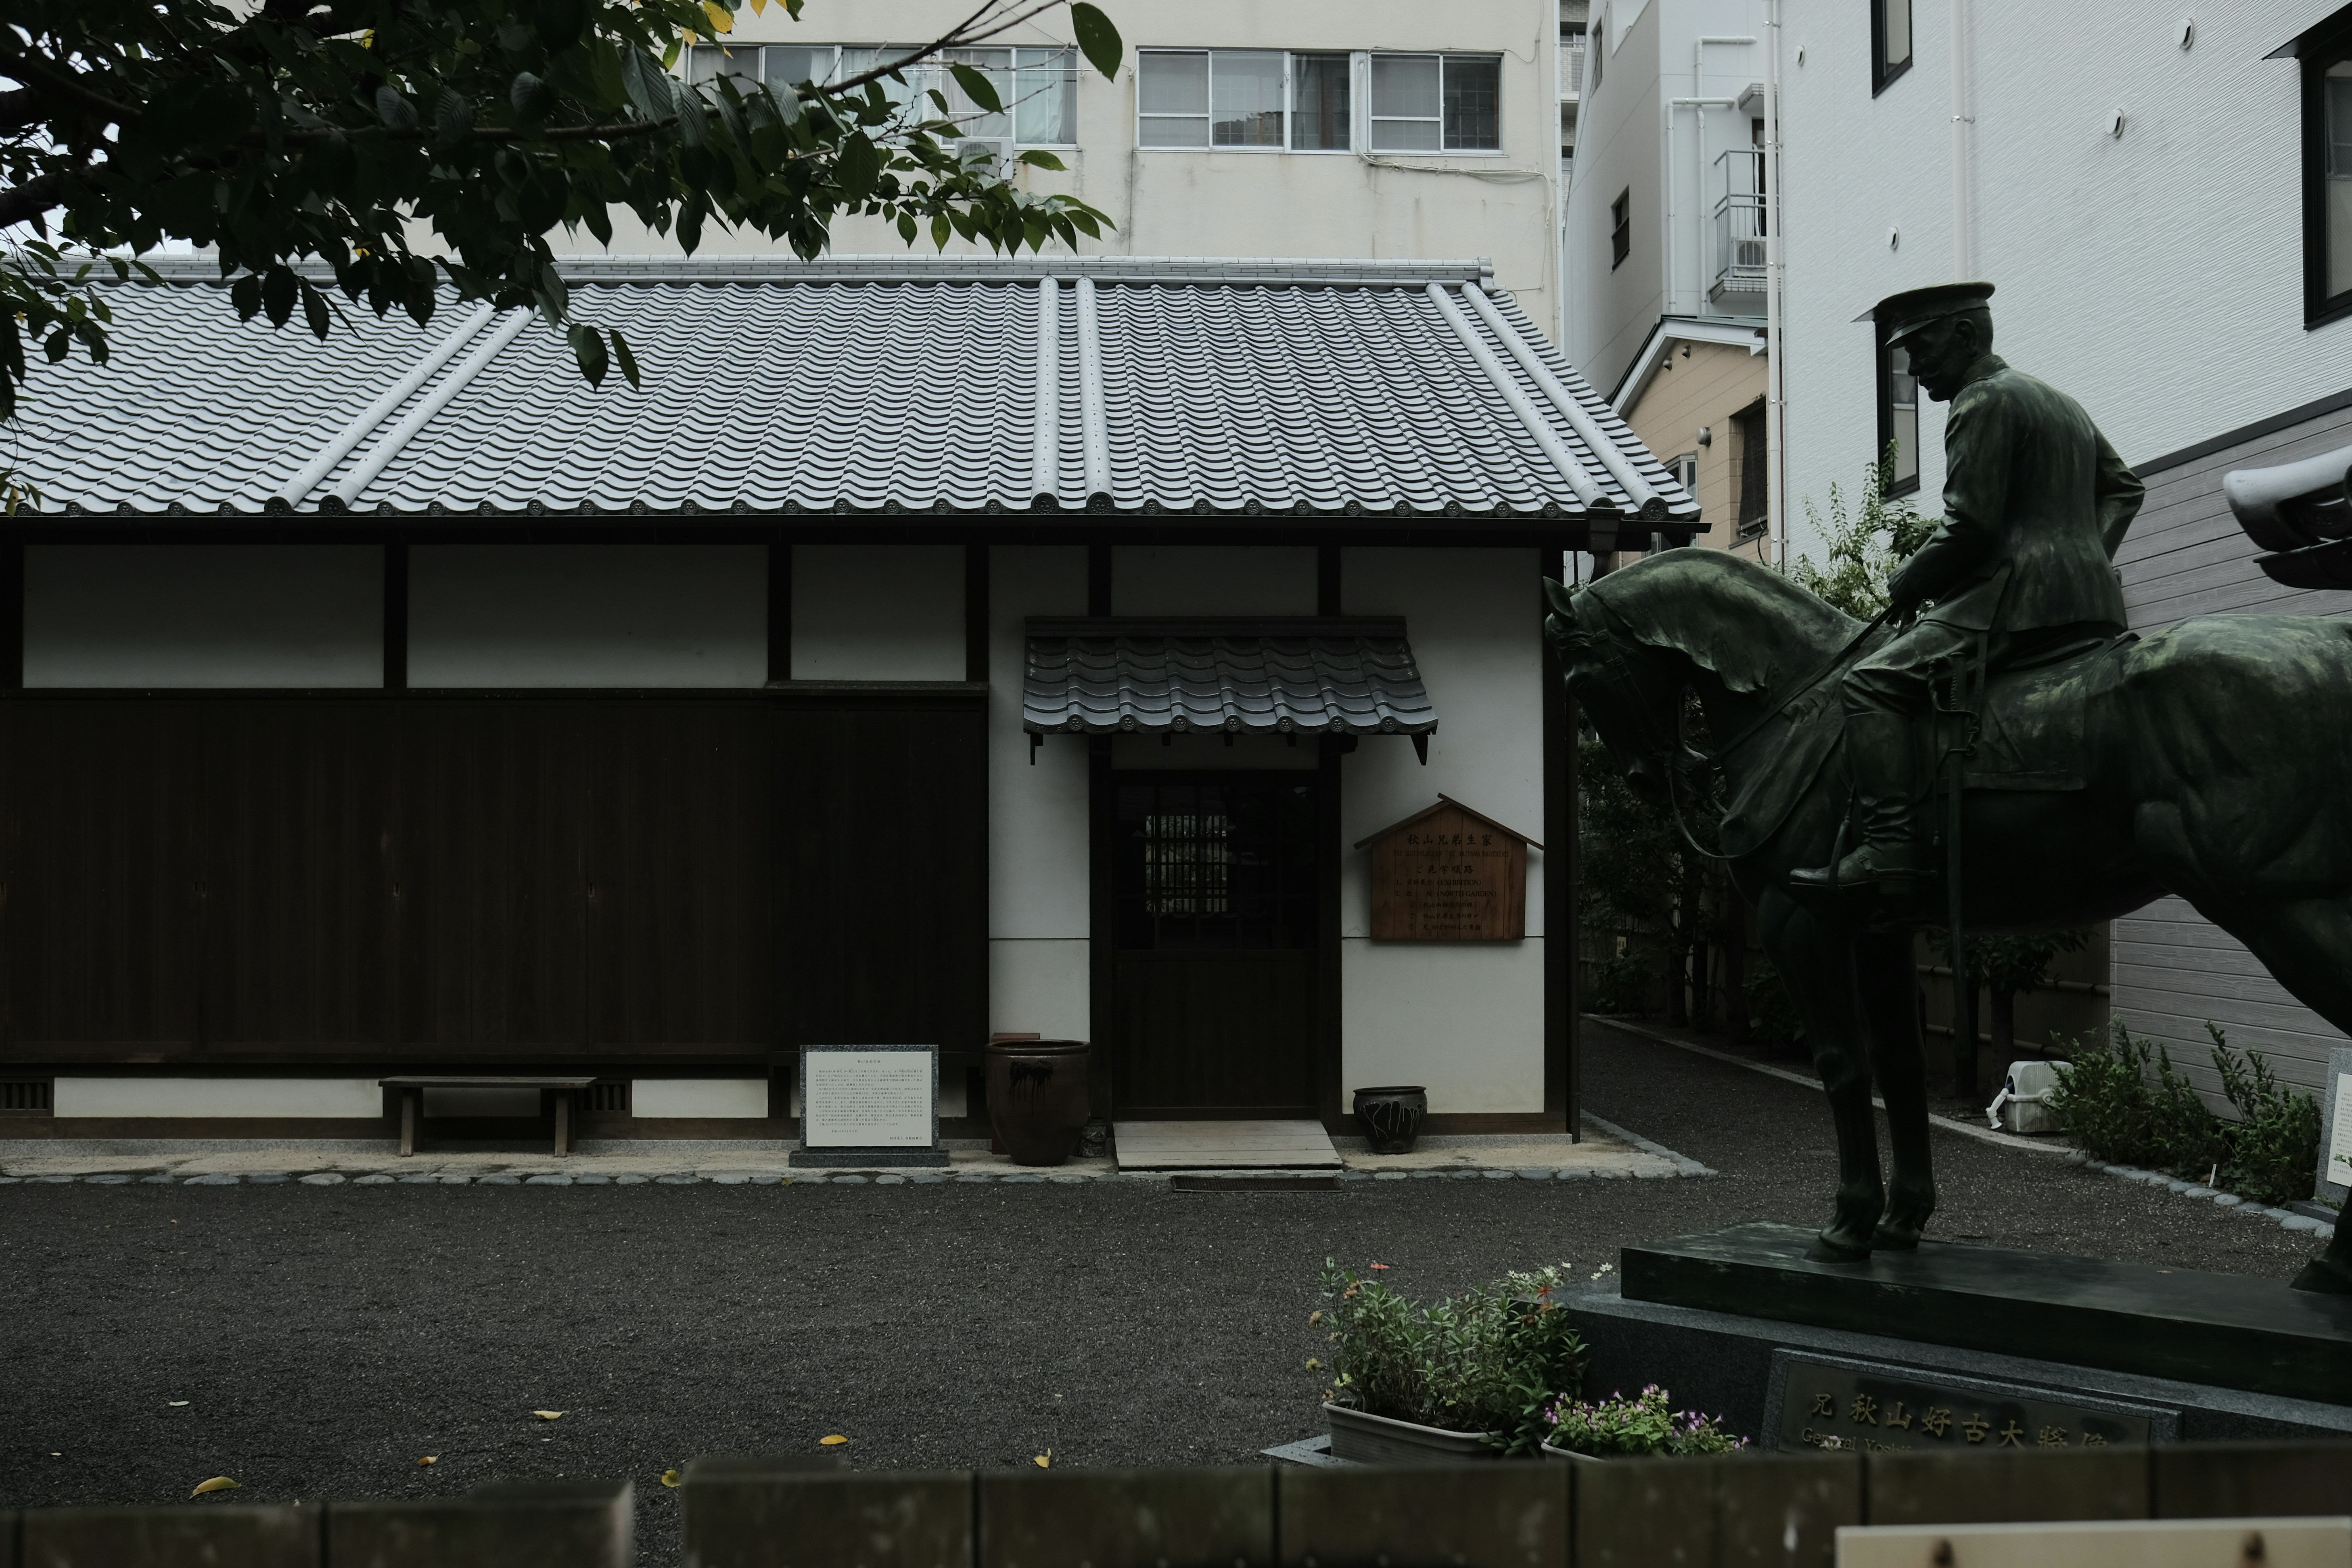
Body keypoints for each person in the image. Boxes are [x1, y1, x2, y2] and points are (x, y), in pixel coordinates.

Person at [1790, 282, 2145, 900]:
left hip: (2012, 602)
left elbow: (1969, 526)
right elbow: (2123, 490)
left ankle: (1888, 849)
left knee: (1867, 681)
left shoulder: (1980, 402)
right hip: (2087, 605)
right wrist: (2082, 560)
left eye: (1921, 347)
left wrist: (1908, 578)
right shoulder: (2057, 401)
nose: (1913, 366)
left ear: (1963, 334)